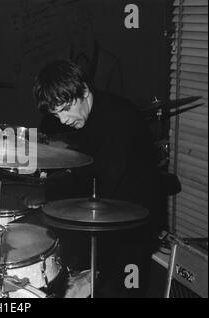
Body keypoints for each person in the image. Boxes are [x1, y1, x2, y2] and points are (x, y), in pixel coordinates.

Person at [29, 59, 160, 297]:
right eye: (56, 114)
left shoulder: (120, 121)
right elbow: (86, 175)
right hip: (105, 217)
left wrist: (95, 273)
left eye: (65, 109)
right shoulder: (89, 117)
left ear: (85, 92)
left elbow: (109, 191)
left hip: (133, 227)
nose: (63, 120)